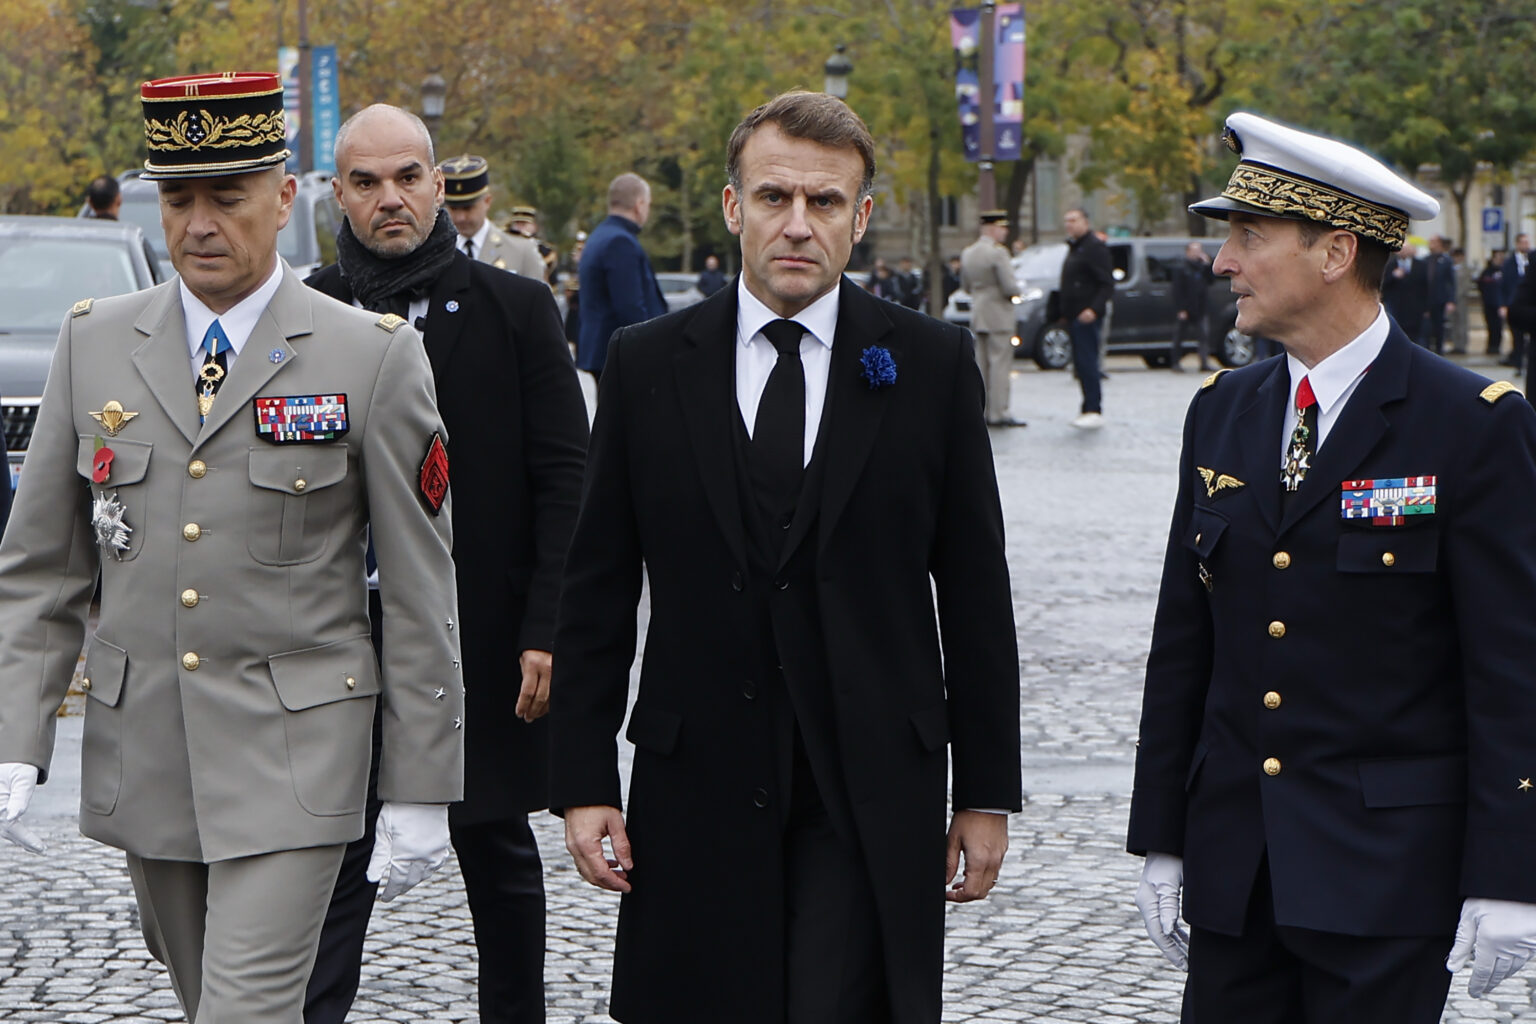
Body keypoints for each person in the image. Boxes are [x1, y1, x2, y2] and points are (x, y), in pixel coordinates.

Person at [0, 71, 464, 1022]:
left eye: (228, 198)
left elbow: (421, 583)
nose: (200, 225)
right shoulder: (96, 342)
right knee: (206, 996)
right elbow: (42, 567)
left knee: (244, 1009)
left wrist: (422, 782)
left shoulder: (369, 355)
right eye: (179, 201)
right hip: (147, 751)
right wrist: (16, 735)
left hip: (299, 753)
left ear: (284, 198)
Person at [549, 90, 1020, 1024]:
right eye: (774, 197)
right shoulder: (647, 365)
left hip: (870, 780)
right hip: (697, 778)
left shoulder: (929, 366)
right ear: (734, 207)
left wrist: (987, 792)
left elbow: (974, 590)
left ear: (861, 217)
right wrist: (583, 781)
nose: (797, 224)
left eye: (824, 201)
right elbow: (597, 585)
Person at [1129, 111, 1536, 1024]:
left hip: (1388, 879)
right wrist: (1163, 835)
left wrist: (1512, 870)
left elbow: (1512, 667)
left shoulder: (1471, 424)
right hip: (1237, 871)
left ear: (1336, 252)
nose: (1223, 262)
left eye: (1249, 236)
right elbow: (1184, 639)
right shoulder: (1222, 410)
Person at [302, 104, 589, 1024]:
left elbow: (566, 479)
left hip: (479, 635)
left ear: (436, 185)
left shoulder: (515, 310)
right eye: (366, 182)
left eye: (407, 178)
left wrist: (548, 627)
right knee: (328, 857)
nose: (389, 199)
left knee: (496, 849)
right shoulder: (305, 309)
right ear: (338, 193)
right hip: (332, 637)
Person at [575, 173, 666, 384]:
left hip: (603, 350)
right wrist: (653, 349)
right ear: (639, 205)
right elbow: (630, 307)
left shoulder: (599, 236)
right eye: (648, 204)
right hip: (625, 355)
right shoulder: (620, 242)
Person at [438, 153, 546, 279]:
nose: (460, 217)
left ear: (487, 201)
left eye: (468, 208)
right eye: (453, 209)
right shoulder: (437, 252)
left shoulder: (521, 250)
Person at [961, 210, 1023, 426]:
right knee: (1000, 364)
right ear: (993, 228)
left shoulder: (968, 252)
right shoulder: (999, 253)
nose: (1005, 232)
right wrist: (1018, 291)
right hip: (998, 314)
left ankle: (983, 411)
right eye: (1002, 228)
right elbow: (1010, 286)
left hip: (978, 312)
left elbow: (965, 286)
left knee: (982, 365)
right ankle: (999, 412)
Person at [1060, 207, 1112, 428]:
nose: (1069, 224)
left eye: (1073, 220)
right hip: (1075, 315)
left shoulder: (1094, 247)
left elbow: (1106, 283)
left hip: (1087, 315)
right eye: (1067, 220)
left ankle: (1093, 408)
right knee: (1080, 364)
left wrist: (1094, 309)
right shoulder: (1076, 247)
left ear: (1085, 222)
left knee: (1088, 362)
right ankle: (1087, 406)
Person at [1170, 241, 1216, 371]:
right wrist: (1181, 309)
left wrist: (1207, 265)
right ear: (1188, 252)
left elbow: (1211, 280)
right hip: (1186, 308)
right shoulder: (1182, 268)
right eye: (1194, 251)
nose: (1197, 253)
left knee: (1203, 336)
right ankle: (1175, 362)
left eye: (1199, 250)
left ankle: (1204, 362)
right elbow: (1177, 290)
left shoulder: (1201, 267)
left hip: (1200, 308)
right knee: (1179, 336)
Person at [1500, 234, 1531, 371]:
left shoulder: (1532, 260)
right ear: (1517, 244)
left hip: (1530, 304)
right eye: (1523, 242)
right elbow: (1503, 285)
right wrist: (1503, 305)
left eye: (1527, 242)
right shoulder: (1509, 263)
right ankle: (1518, 364)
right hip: (1514, 304)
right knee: (1517, 337)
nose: (1526, 245)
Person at [1421, 234, 1456, 354]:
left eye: (1433, 242)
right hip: (1426, 299)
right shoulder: (1425, 260)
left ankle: (1439, 349)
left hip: (1440, 299)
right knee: (1426, 327)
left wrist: (1451, 300)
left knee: (1439, 326)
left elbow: (1451, 282)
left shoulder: (1446, 261)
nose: (1431, 244)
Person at [1477, 249, 1506, 357]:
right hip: (1488, 303)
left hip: (1499, 304)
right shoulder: (1487, 271)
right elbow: (1481, 285)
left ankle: (1496, 346)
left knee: (1498, 326)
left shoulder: (1504, 271)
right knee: (1490, 325)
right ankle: (1490, 346)